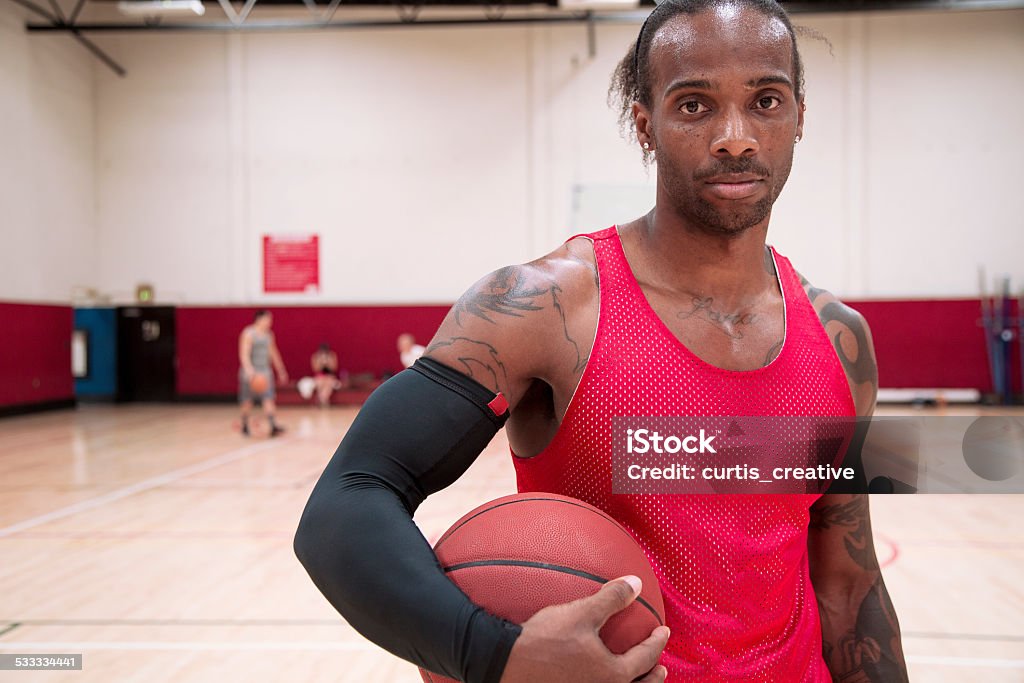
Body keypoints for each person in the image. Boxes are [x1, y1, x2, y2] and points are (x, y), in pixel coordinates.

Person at [294, 2, 908, 682]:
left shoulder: (839, 340)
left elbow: (850, 588)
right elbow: (346, 502)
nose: (736, 137)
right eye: (695, 105)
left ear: (798, 116)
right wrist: (493, 652)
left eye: (766, 100)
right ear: (646, 124)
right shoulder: (542, 307)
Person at [238, 310, 288, 437]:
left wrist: (281, 370)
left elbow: (273, 353)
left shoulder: (268, 335)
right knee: (247, 401)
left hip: (265, 371)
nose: (270, 322)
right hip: (251, 372)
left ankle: (272, 425)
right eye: (268, 319)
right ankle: (244, 424)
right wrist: (249, 370)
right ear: (259, 319)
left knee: (269, 398)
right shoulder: (249, 333)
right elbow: (244, 353)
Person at [310, 342, 342, 408]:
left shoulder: (332, 356)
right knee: (320, 382)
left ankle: (321, 399)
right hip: (319, 376)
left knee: (328, 383)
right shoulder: (315, 356)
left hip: (330, 376)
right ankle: (324, 400)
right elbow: (315, 369)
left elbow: (334, 368)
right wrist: (320, 363)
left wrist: (328, 362)